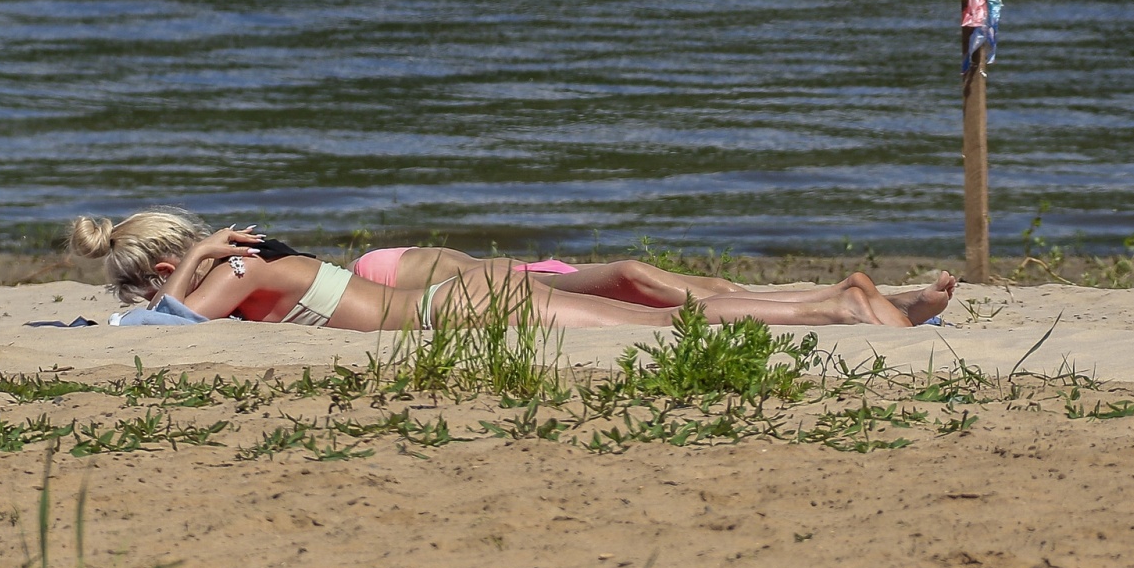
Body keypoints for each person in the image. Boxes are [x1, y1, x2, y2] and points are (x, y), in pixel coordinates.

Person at [66, 208, 934, 330]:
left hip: (464, 313)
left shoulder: (238, 278)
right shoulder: (251, 274)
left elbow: (160, 334)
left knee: (671, 328)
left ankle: (847, 314)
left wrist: (202, 266)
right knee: (638, 288)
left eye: (148, 280)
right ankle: (839, 295)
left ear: (168, 268)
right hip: (465, 297)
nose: (147, 297)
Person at [351, 245, 954, 326]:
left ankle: (872, 299)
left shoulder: (371, 272)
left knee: (706, 285)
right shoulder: (372, 271)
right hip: (525, 279)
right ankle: (853, 300)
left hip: (526, 277)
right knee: (647, 282)